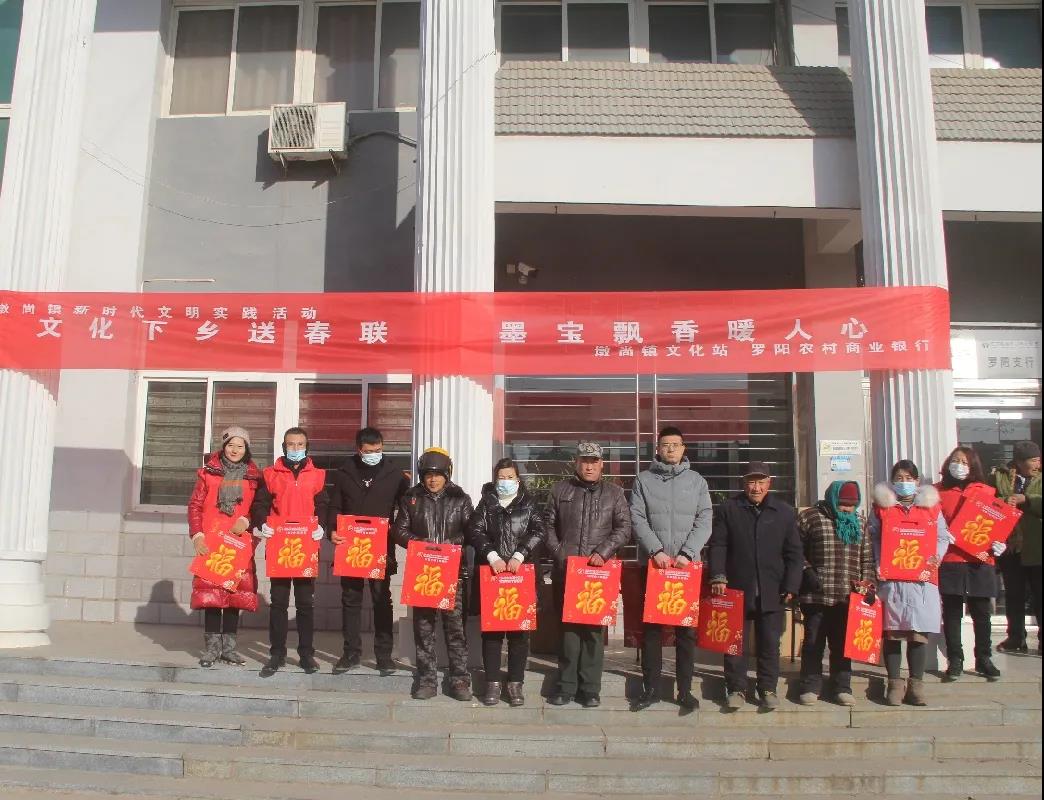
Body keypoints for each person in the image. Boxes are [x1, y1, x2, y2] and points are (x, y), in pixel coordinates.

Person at [629, 426, 712, 712]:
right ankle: (651, 689)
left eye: (676, 444)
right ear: (658, 449)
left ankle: (685, 691)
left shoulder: (697, 481)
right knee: (652, 630)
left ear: (683, 448)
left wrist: (688, 553)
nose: (671, 449)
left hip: (686, 567)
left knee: (685, 632)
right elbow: (637, 518)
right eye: (666, 445)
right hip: (655, 566)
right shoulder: (643, 480)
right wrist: (656, 551)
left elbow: (705, 519)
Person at [709, 461, 803, 711]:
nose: (756, 487)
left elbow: (794, 554)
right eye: (752, 482)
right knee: (734, 642)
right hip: (736, 586)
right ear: (744, 483)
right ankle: (736, 688)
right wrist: (718, 575)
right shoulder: (729, 509)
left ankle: (767, 688)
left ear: (769, 484)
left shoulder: (784, 512)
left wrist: (791, 584)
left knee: (770, 642)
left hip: (773, 588)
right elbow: (718, 545)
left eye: (761, 482)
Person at [545, 442, 631, 708]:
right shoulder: (560, 490)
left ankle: (591, 689)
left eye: (594, 461)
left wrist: (603, 552)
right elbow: (547, 526)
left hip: (598, 573)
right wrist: (560, 553)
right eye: (585, 461)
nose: (589, 466)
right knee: (569, 631)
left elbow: (624, 529)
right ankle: (566, 686)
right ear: (576, 462)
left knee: (593, 631)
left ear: (601, 464)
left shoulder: (615, 493)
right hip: (567, 571)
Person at [392, 447, 475, 701]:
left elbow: (472, 531)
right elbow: (399, 531)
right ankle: (427, 679)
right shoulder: (411, 499)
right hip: (423, 572)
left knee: (455, 629)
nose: (433, 479)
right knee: (424, 628)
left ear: (447, 475)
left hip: (453, 572)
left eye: (438, 474)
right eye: (428, 474)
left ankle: (459, 679)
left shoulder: (460, 499)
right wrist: (420, 543)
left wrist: (452, 543)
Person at [327, 427, 409, 676]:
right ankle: (351, 653)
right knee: (350, 599)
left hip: (381, 544)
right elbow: (335, 505)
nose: (374, 454)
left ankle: (384, 656)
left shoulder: (395, 475)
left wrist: (397, 528)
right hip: (351, 545)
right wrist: (332, 530)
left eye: (378, 450)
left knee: (381, 599)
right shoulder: (344, 473)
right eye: (369, 451)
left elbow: (406, 509)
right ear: (359, 450)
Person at [467, 458, 547, 707]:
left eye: (510, 477)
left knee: (518, 634)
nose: (505, 482)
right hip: (493, 575)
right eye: (501, 477)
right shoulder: (486, 503)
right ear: (495, 480)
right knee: (492, 633)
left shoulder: (529, 503)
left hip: (520, 575)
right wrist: (492, 556)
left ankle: (515, 683)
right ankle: (492, 682)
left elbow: (539, 531)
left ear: (518, 480)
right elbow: (475, 530)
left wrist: (519, 555)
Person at [869, 460, 948, 707]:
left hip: (922, 578)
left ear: (917, 481)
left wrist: (935, 558)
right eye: (899, 478)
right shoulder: (881, 508)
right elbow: (873, 537)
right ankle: (894, 683)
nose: (904, 482)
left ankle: (916, 685)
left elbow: (942, 536)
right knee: (892, 631)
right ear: (892, 481)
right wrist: (878, 561)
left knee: (917, 633)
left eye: (909, 478)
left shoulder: (932, 507)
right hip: (892, 578)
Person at [251, 427, 328, 677]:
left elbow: (323, 505)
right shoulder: (270, 474)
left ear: (307, 447)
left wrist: (322, 526)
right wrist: (262, 522)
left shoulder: (317, 475)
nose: (295, 449)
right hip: (280, 546)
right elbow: (260, 504)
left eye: (300, 444)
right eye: (291, 444)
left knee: (305, 603)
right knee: (279, 602)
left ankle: (306, 654)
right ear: (283, 447)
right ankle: (277, 653)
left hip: (306, 546)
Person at [187, 426, 263, 668]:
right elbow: (195, 505)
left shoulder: (254, 477)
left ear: (246, 449)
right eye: (231, 445)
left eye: (240, 446)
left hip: (238, 543)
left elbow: (260, 507)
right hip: (212, 541)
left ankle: (229, 650)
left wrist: (248, 520)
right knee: (211, 596)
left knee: (234, 596)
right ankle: (211, 650)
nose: (235, 450)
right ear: (224, 446)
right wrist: (197, 536)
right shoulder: (208, 473)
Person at [796, 480, 875, 706]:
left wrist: (869, 585)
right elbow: (794, 550)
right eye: (843, 504)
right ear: (832, 499)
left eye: (851, 505)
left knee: (842, 644)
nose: (847, 509)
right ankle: (810, 685)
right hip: (816, 594)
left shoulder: (860, 522)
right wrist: (806, 571)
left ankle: (842, 687)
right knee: (813, 641)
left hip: (848, 596)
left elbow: (867, 558)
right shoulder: (810, 517)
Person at [936, 446, 1005, 681]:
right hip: (951, 558)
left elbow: (997, 522)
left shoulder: (986, 491)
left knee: (982, 612)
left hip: (980, 559)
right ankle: (955, 659)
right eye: (955, 461)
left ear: (973, 466)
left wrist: (1000, 542)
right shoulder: (938, 491)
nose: (959, 465)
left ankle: (984, 658)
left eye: (965, 462)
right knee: (952, 612)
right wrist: (941, 533)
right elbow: (929, 521)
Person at [993, 441, 1042, 655]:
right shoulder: (1000, 477)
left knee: (1040, 594)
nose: (1037, 464)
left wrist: (1027, 499)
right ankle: (1015, 637)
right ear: (1020, 462)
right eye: (1033, 460)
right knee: (1014, 595)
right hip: (1010, 546)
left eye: (1038, 459)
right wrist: (1006, 500)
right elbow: (989, 502)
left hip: (1036, 546)